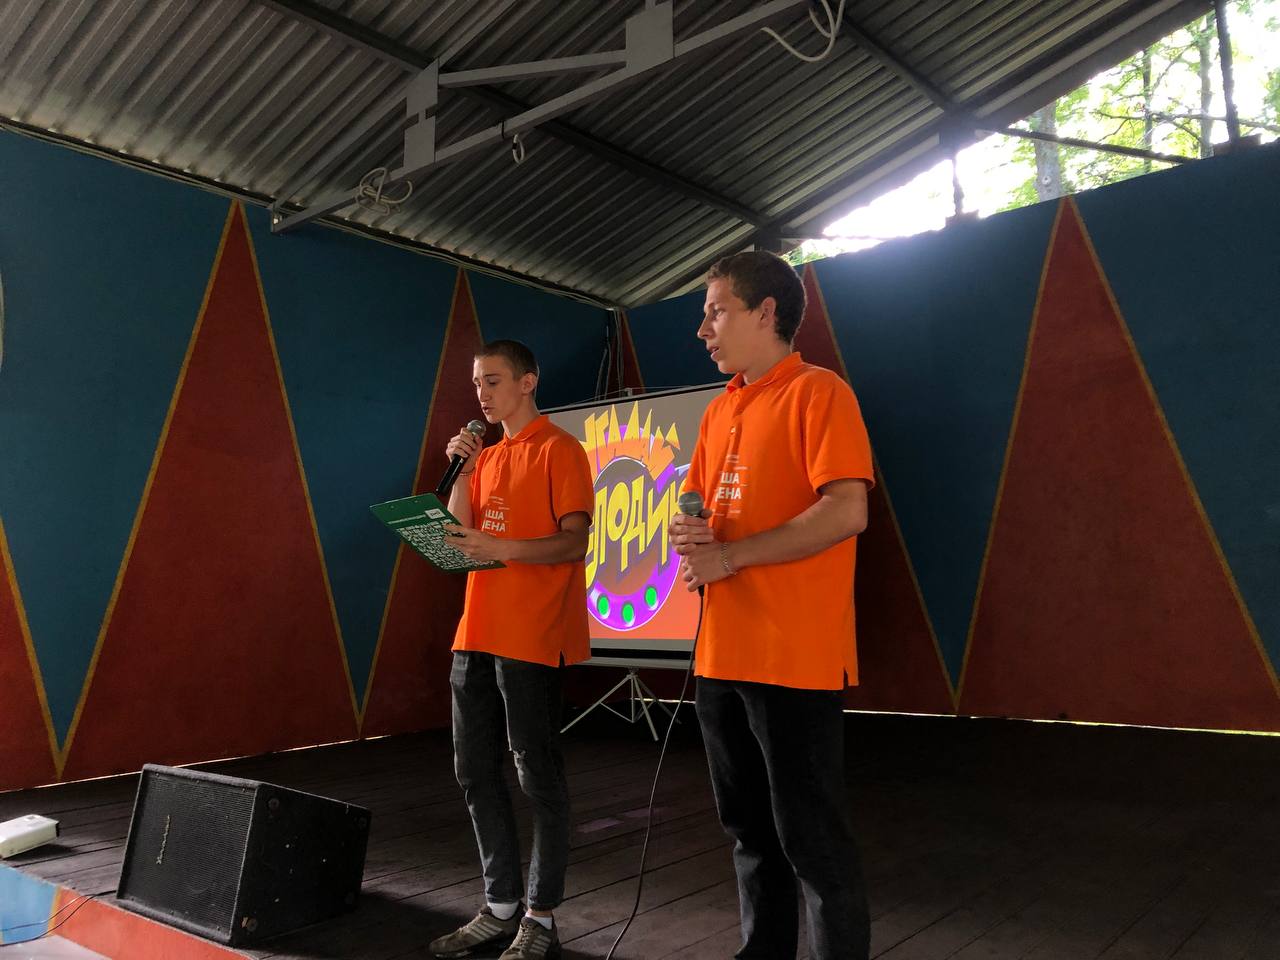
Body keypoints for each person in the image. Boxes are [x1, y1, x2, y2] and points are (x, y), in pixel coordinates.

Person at [669, 251, 874, 960]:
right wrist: (691, 535)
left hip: (794, 657)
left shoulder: (820, 392)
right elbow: (703, 511)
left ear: (766, 312)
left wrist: (730, 557)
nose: (703, 330)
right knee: (749, 833)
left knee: (812, 840)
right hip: (722, 654)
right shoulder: (719, 408)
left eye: (716, 312)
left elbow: (846, 510)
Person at [428, 339, 593, 960]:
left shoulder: (559, 449)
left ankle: (540, 917)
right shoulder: (487, 456)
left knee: (536, 775)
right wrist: (465, 470)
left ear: (528, 382)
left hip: (531, 635)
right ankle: (499, 907)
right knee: (473, 770)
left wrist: (504, 549)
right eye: (477, 384)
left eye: (493, 381)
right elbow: (456, 535)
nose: (482, 394)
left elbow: (573, 542)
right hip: (475, 633)